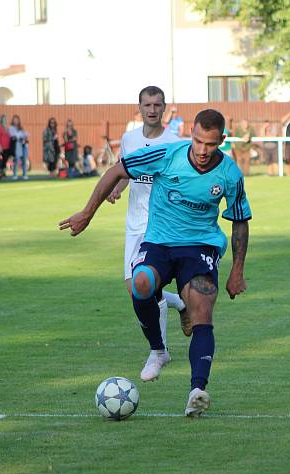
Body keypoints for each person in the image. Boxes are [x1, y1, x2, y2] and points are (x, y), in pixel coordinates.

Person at [61, 108, 251, 418]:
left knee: (203, 307)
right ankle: (158, 350)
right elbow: (117, 171)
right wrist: (86, 213)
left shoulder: (230, 174)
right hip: (160, 242)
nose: (203, 151)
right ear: (191, 134)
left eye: (211, 145)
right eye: (198, 141)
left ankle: (197, 391)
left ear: (223, 141)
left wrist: (237, 270)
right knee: (140, 283)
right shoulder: (168, 154)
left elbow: (240, 221)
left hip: (200, 245)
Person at [105, 86, 189, 362]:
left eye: (157, 105)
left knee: (150, 286)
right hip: (134, 224)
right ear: (139, 108)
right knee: (134, 289)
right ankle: (177, 302)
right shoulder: (129, 139)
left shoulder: (175, 142)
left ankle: (160, 350)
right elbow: (127, 171)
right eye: (147, 105)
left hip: (162, 226)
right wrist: (118, 187)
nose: (152, 110)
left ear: (164, 107)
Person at [9, 114, 29, 180]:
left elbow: (26, 134)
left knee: (24, 159)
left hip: (23, 145)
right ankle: (15, 174)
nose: (16, 121)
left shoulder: (21, 128)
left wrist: (24, 136)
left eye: (17, 120)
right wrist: (21, 137)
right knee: (16, 159)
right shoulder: (11, 128)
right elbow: (14, 136)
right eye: (15, 120)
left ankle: (25, 174)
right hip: (17, 145)